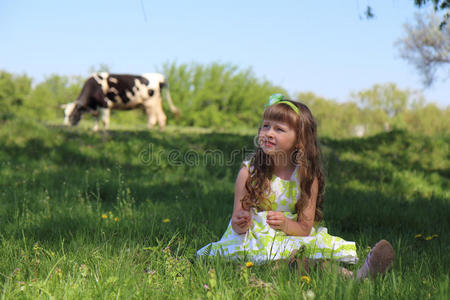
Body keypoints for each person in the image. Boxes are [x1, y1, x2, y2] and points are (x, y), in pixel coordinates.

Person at [197, 94, 394, 279]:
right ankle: (287, 267)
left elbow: (305, 228)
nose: (268, 133)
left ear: (300, 140)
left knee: (306, 255)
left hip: (289, 234)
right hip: (254, 238)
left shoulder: (306, 177)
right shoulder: (249, 172)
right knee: (269, 259)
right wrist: (239, 222)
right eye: (265, 126)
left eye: (279, 129)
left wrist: (284, 225)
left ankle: (356, 276)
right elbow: (236, 222)